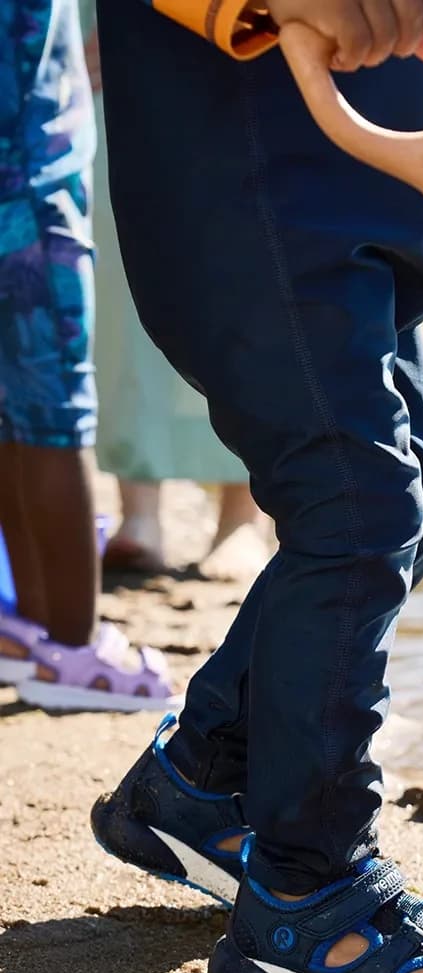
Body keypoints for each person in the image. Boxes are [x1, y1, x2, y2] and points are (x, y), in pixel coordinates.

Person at [91, 0, 423, 973]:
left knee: (416, 498)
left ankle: (204, 778)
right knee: (354, 504)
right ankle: (307, 894)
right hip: (250, 169)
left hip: (371, 194)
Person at [0, 0, 178, 712]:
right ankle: (75, 644)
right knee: (54, 411)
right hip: (34, 178)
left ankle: (38, 631)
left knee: (12, 412)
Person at [76, 0, 269, 581]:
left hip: (245, 45)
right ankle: (140, 512)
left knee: (243, 279)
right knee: (121, 284)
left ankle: (242, 519)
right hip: (112, 41)